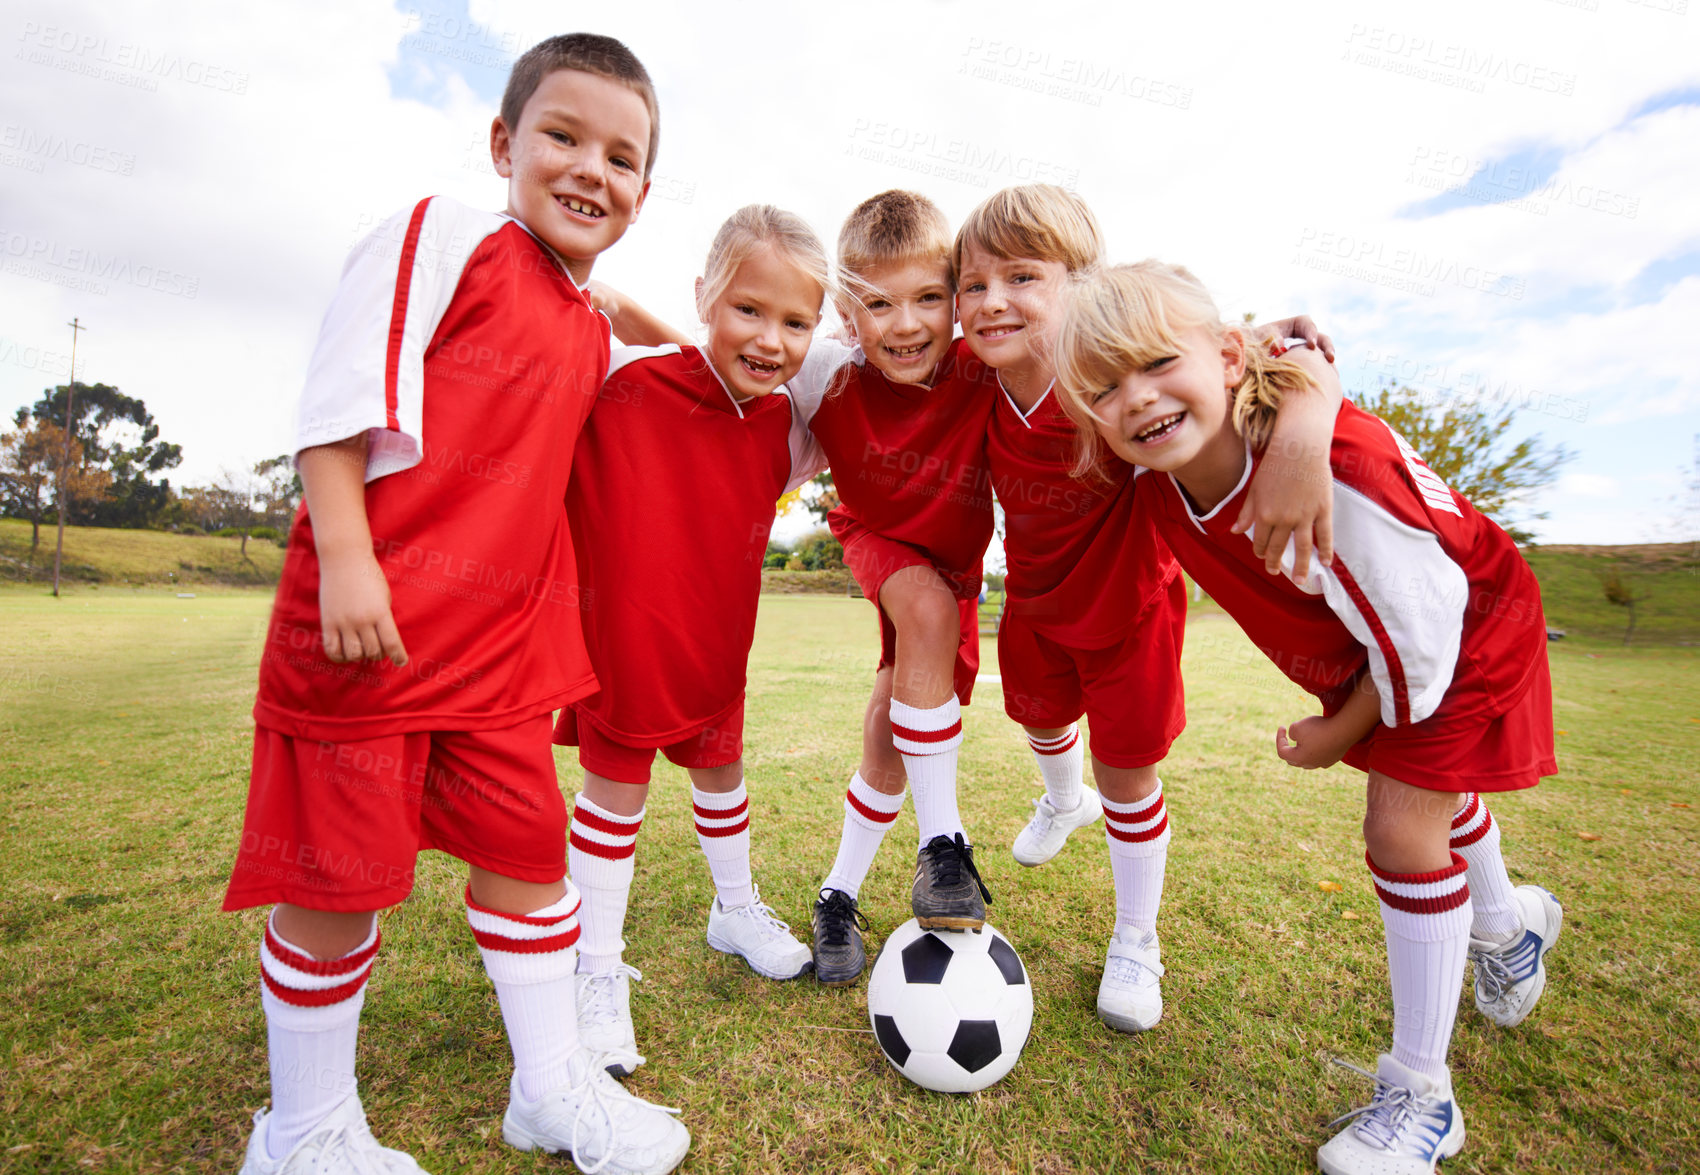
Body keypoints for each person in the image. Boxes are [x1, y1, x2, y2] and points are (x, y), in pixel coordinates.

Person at [222, 33, 688, 1175]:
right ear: (501, 144)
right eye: (562, 138)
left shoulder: (583, 319)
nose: (591, 170)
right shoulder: (442, 231)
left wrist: (631, 308)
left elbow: (626, 338)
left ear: (643, 189)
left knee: (532, 859)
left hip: (502, 654)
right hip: (368, 635)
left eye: (622, 158)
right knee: (337, 888)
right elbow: (338, 393)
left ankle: (547, 1089)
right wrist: (345, 551)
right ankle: (304, 1133)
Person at [1054, 260, 1562, 1175]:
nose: (1135, 398)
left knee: (1404, 826)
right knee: (1430, 794)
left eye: (1158, 363)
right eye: (1105, 388)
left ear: (1225, 354)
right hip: (1378, 627)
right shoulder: (1170, 466)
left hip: (1458, 625)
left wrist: (1338, 731)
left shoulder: (1340, 476)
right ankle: (1507, 925)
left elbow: (1421, 634)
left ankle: (1422, 1098)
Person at [953, 184, 1342, 1034]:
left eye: (1022, 277)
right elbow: (889, 345)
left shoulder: (1112, 382)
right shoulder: (970, 376)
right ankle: (1062, 800)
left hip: (1129, 608)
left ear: (1080, 286)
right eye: (972, 285)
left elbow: (1253, 355)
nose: (992, 302)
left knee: (1128, 772)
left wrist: (1307, 422)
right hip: (1034, 602)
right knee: (1041, 720)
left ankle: (1137, 937)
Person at [559, 205, 844, 1072]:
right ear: (704, 299)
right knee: (616, 793)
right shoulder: (621, 376)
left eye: (796, 322)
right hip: (623, 643)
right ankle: (591, 963)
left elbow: (880, 355)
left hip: (718, 647)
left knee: (723, 773)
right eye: (748, 310)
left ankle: (735, 907)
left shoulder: (788, 427)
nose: (770, 339)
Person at [802, 190, 1004, 980]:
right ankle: (944, 849)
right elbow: (723, 363)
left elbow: (1102, 327)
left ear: (957, 299)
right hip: (879, 536)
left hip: (957, 567)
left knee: (891, 731)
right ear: (848, 316)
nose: (907, 323)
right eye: (879, 304)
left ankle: (836, 894)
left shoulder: (984, 362)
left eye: (928, 298)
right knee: (919, 605)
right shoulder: (828, 375)